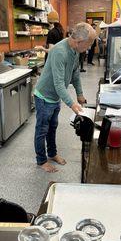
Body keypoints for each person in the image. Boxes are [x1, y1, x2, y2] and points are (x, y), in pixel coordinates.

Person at [34, 22, 97, 173]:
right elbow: (58, 84)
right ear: (79, 41)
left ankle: (52, 153)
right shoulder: (59, 51)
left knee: (52, 127)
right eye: (88, 45)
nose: (88, 48)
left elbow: (74, 73)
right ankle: (41, 161)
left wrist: (80, 94)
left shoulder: (74, 50)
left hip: (55, 98)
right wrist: (72, 104)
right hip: (44, 97)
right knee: (42, 130)